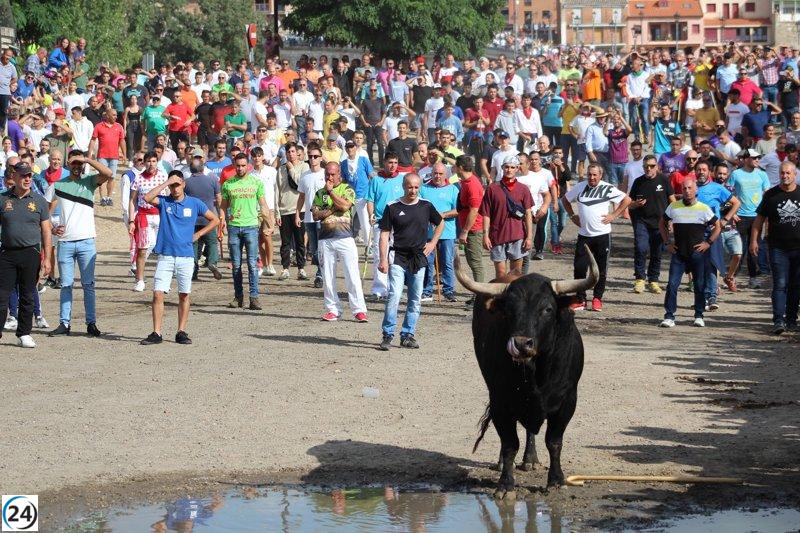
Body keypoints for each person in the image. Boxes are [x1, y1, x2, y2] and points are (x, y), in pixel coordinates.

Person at [140, 171, 220, 345]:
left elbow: (215, 220)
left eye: (177, 185)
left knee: (184, 294)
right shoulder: (164, 202)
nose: (175, 189)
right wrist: (166, 182)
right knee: (158, 293)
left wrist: (199, 234)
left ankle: (181, 331)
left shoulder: (195, 203)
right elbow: (146, 198)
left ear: (183, 184)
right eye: (172, 186)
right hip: (166, 255)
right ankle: (157, 332)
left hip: (186, 256)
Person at [46, 153, 113, 337]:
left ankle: (91, 323)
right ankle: (64, 323)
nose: (77, 165)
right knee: (66, 285)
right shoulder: (57, 185)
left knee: (88, 285)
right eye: (74, 162)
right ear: (68, 164)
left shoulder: (90, 181)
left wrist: (88, 160)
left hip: (86, 241)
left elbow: (108, 173)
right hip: (65, 242)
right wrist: (52, 228)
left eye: (79, 163)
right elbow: (44, 210)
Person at [377, 173, 444, 351]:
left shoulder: (426, 205)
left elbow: (440, 223)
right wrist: (383, 259)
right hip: (397, 256)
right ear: (403, 186)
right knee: (394, 295)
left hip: (418, 257)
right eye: (409, 187)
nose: (413, 190)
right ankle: (387, 334)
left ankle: (407, 335)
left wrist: (433, 243)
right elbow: (384, 234)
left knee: (415, 298)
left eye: (416, 187)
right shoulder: (392, 206)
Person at [563, 163, 631, 312]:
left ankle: (597, 298)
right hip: (584, 235)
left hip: (602, 235)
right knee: (580, 268)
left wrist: (614, 215)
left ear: (600, 175)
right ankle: (580, 299)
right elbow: (565, 200)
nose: (592, 177)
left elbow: (627, 200)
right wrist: (572, 215)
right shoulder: (580, 187)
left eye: (595, 175)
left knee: (601, 269)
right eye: (589, 174)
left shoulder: (607, 188)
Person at [0, 162, 52, 348]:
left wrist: (47, 258)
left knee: (28, 295)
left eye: (29, 175)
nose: (27, 179)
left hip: (31, 253)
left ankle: (24, 333)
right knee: (1, 295)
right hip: (7, 253)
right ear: (14, 177)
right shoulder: (3, 198)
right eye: (23, 175)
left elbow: (46, 230)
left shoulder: (39, 200)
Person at [659, 178, 721, 328]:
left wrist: (708, 243)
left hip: (697, 254)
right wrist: (667, 243)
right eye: (684, 188)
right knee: (672, 285)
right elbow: (662, 223)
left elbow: (717, 226)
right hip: (679, 252)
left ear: (696, 190)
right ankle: (669, 316)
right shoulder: (674, 206)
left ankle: (699, 315)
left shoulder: (704, 208)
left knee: (699, 285)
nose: (687, 191)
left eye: (690, 188)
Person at [312, 162, 368, 322]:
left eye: (332, 174)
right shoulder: (319, 193)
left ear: (339, 175)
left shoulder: (347, 189)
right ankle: (333, 310)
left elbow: (344, 206)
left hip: (345, 237)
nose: (329, 177)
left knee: (352, 274)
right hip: (325, 238)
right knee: (327, 276)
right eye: (327, 174)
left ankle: (359, 310)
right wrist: (332, 209)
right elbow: (316, 215)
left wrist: (331, 193)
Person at [751, 161, 800, 334]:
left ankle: (792, 320)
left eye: (788, 173)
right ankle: (778, 320)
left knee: (796, 285)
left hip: (798, 248)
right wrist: (754, 241)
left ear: (795, 174)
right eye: (782, 173)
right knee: (780, 283)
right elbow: (759, 221)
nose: (784, 176)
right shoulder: (771, 195)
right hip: (778, 248)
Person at [220, 153, 272, 310]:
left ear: (248, 166)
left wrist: (269, 223)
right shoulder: (228, 184)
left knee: (252, 264)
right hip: (234, 227)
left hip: (251, 227)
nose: (240, 168)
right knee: (236, 265)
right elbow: (223, 206)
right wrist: (221, 222)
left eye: (243, 165)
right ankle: (238, 297)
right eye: (238, 165)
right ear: (234, 165)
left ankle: (254, 298)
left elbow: (263, 205)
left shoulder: (256, 183)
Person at [695, 160, 740, 312]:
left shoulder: (717, 188)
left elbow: (736, 203)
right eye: (699, 169)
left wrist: (725, 219)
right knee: (697, 265)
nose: (701, 172)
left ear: (710, 172)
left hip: (712, 232)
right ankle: (700, 298)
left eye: (704, 169)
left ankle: (712, 296)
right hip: (695, 232)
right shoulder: (691, 188)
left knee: (712, 264)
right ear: (695, 171)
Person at [480, 155, 534, 279]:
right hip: (497, 235)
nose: (509, 170)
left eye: (512, 167)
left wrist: (529, 237)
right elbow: (486, 214)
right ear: (502, 168)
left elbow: (528, 214)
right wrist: (485, 235)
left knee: (516, 274)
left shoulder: (523, 189)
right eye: (506, 167)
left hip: (517, 236)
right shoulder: (492, 189)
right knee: (500, 274)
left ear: (517, 169)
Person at [629, 154, 676, 294]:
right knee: (641, 248)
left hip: (660, 223)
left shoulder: (664, 180)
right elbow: (629, 204)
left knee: (657, 252)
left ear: (657, 167)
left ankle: (653, 280)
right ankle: (639, 279)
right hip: (641, 221)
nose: (648, 169)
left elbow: (672, 201)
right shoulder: (638, 182)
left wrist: (672, 219)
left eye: (651, 166)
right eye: (646, 166)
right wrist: (636, 204)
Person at [729, 148, 770, 289]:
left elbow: (767, 195)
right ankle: (732, 277)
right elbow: (727, 194)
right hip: (740, 217)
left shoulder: (762, 174)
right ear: (746, 159)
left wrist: (766, 215)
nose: (757, 160)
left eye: (759, 157)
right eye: (754, 157)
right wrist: (732, 213)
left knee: (754, 249)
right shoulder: (736, 174)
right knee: (738, 249)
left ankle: (752, 278)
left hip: (757, 217)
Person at [129, 151, 169, 292]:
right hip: (144, 216)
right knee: (142, 249)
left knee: (163, 250)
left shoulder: (163, 176)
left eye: (153, 161)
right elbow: (132, 200)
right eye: (148, 161)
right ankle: (139, 280)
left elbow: (169, 196)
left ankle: (163, 281)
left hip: (160, 216)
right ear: (144, 162)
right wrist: (131, 220)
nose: (151, 164)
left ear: (157, 162)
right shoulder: (138, 178)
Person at [366, 153, 405, 301]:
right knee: (379, 255)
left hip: (398, 223)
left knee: (395, 257)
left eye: (395, 162)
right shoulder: (376, 180)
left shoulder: (402, 179)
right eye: (390, 162)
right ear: (384, 163)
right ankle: (379, 289)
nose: (393, 165)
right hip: (381, 222)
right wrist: (371, 215)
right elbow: (370, 200)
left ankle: (394, 289)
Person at [420, 162, 459, 302]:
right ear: (431, 173)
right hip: (428, 233)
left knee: (447, 262)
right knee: (427, 262)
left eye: (440, 174)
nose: (437, 176)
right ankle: (427, 291)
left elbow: (458, 210)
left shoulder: (453, 189)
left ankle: (448, 290)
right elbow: (418, 207)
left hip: (447, 233)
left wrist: (442, 215)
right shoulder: (423, 189)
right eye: (435, 173)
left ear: (446, 175)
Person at [183, 148, 223, 281]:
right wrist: (220, 213)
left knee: (193, 244)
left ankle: (193, 271)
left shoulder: (186, 182)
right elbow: (219, 198)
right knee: (212, 242)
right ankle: (212, 262)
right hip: (208, 217)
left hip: (192, 218)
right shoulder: (212, 179)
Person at [295, 143, 327, 288]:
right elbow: (301, 197)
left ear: (320, 158)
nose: (313, 159)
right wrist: (297, 214)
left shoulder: (326, 174)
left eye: (315, 156)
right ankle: (322, 270)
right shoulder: (304, 176)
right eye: (310, 156)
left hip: (323, 217)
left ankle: (320, 274)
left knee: (322, 247)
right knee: (313, 249)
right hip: (308, 218)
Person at [276, 142, 309, 280]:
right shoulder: (280, 169)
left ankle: (301, 268)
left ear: (297, 152)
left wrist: (291, 169)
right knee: (285, 242)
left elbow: (300, 183)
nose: (291, 154)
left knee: (300, 241)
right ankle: (285, 268)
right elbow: (277, 190)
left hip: (300, 209)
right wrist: (277, 212)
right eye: (288, 152)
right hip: (284, 209)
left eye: (293, 151)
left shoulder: (304, 166)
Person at [516, 152, 552, 269]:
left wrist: (544, 207)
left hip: (530, 215)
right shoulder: (513, 177)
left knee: (526, 247)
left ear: (527, 164)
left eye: (520, 163)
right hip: (514, 217)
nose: (517, 166)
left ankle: (523, 274)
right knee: (516, 248)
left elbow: (547, 195)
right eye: (516, 163)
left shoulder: (537, 178)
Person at [455, 155, 485, 294]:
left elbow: (474, 210)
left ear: (460, 168)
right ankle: (477, 295)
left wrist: (465, 231)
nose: (454, 169)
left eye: (455, 166)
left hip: (474, 229)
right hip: (470, 228)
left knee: (475, 263)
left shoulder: (472, 184)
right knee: (472, 262)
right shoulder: (467, 181)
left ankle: (480, 295)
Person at [90, 108, 126, 206]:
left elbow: (122, 141)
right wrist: (90, 153)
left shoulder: (119, 126)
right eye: (113, 115)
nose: (116, 117)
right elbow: (93, 140)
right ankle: (102, 198)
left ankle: (109, 197)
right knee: (102, 177)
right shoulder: (98, 126)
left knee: (112, 177)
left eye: (116, 115)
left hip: (114, 156)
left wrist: (124, 154)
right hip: (102, 156)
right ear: (107, 115)